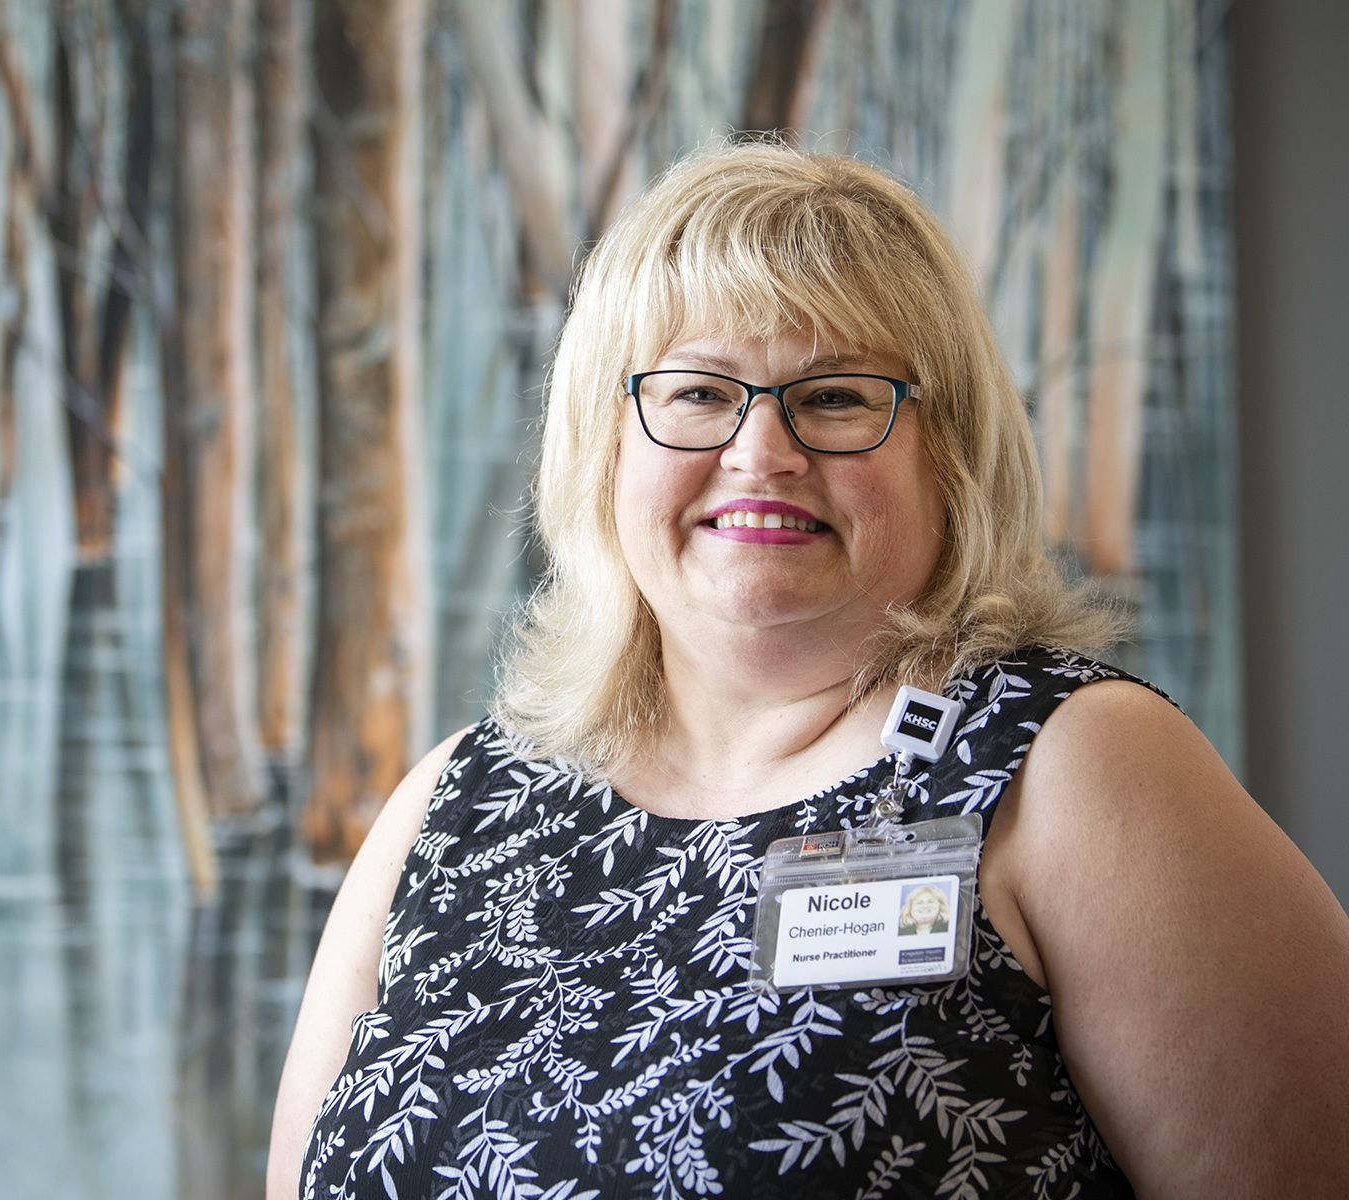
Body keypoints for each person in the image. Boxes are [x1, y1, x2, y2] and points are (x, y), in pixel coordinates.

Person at [268, 141, 1349, 1198]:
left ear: (950, 458)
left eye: (835, 397)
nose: (761, 451)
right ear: (604, 446)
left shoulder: (1074, 765)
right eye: (697, 393)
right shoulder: (457, 801)